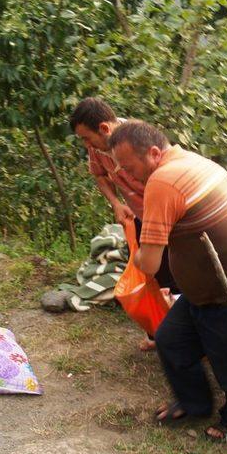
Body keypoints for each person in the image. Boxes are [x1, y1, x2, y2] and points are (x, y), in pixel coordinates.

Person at [109, 120, 227, 442]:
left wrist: (136, 251)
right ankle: (195, 403)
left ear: (155, 153)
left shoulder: (163, 181)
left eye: (130, 168)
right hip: (210, 294)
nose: (129, 177)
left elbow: (150, 263)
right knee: (171, 339)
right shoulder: (195, 162)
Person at [69, 97, 177, 351]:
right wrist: (117, 204)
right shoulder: (97, 149)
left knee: (176, 272)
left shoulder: (140, 138)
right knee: (153, 277)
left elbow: (170, 172)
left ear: (105, 129)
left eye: (87, 138)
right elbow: (99, 175)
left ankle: (184, 338)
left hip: (166, 216)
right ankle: (158, 333)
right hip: (140, 216)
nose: (87, 145)